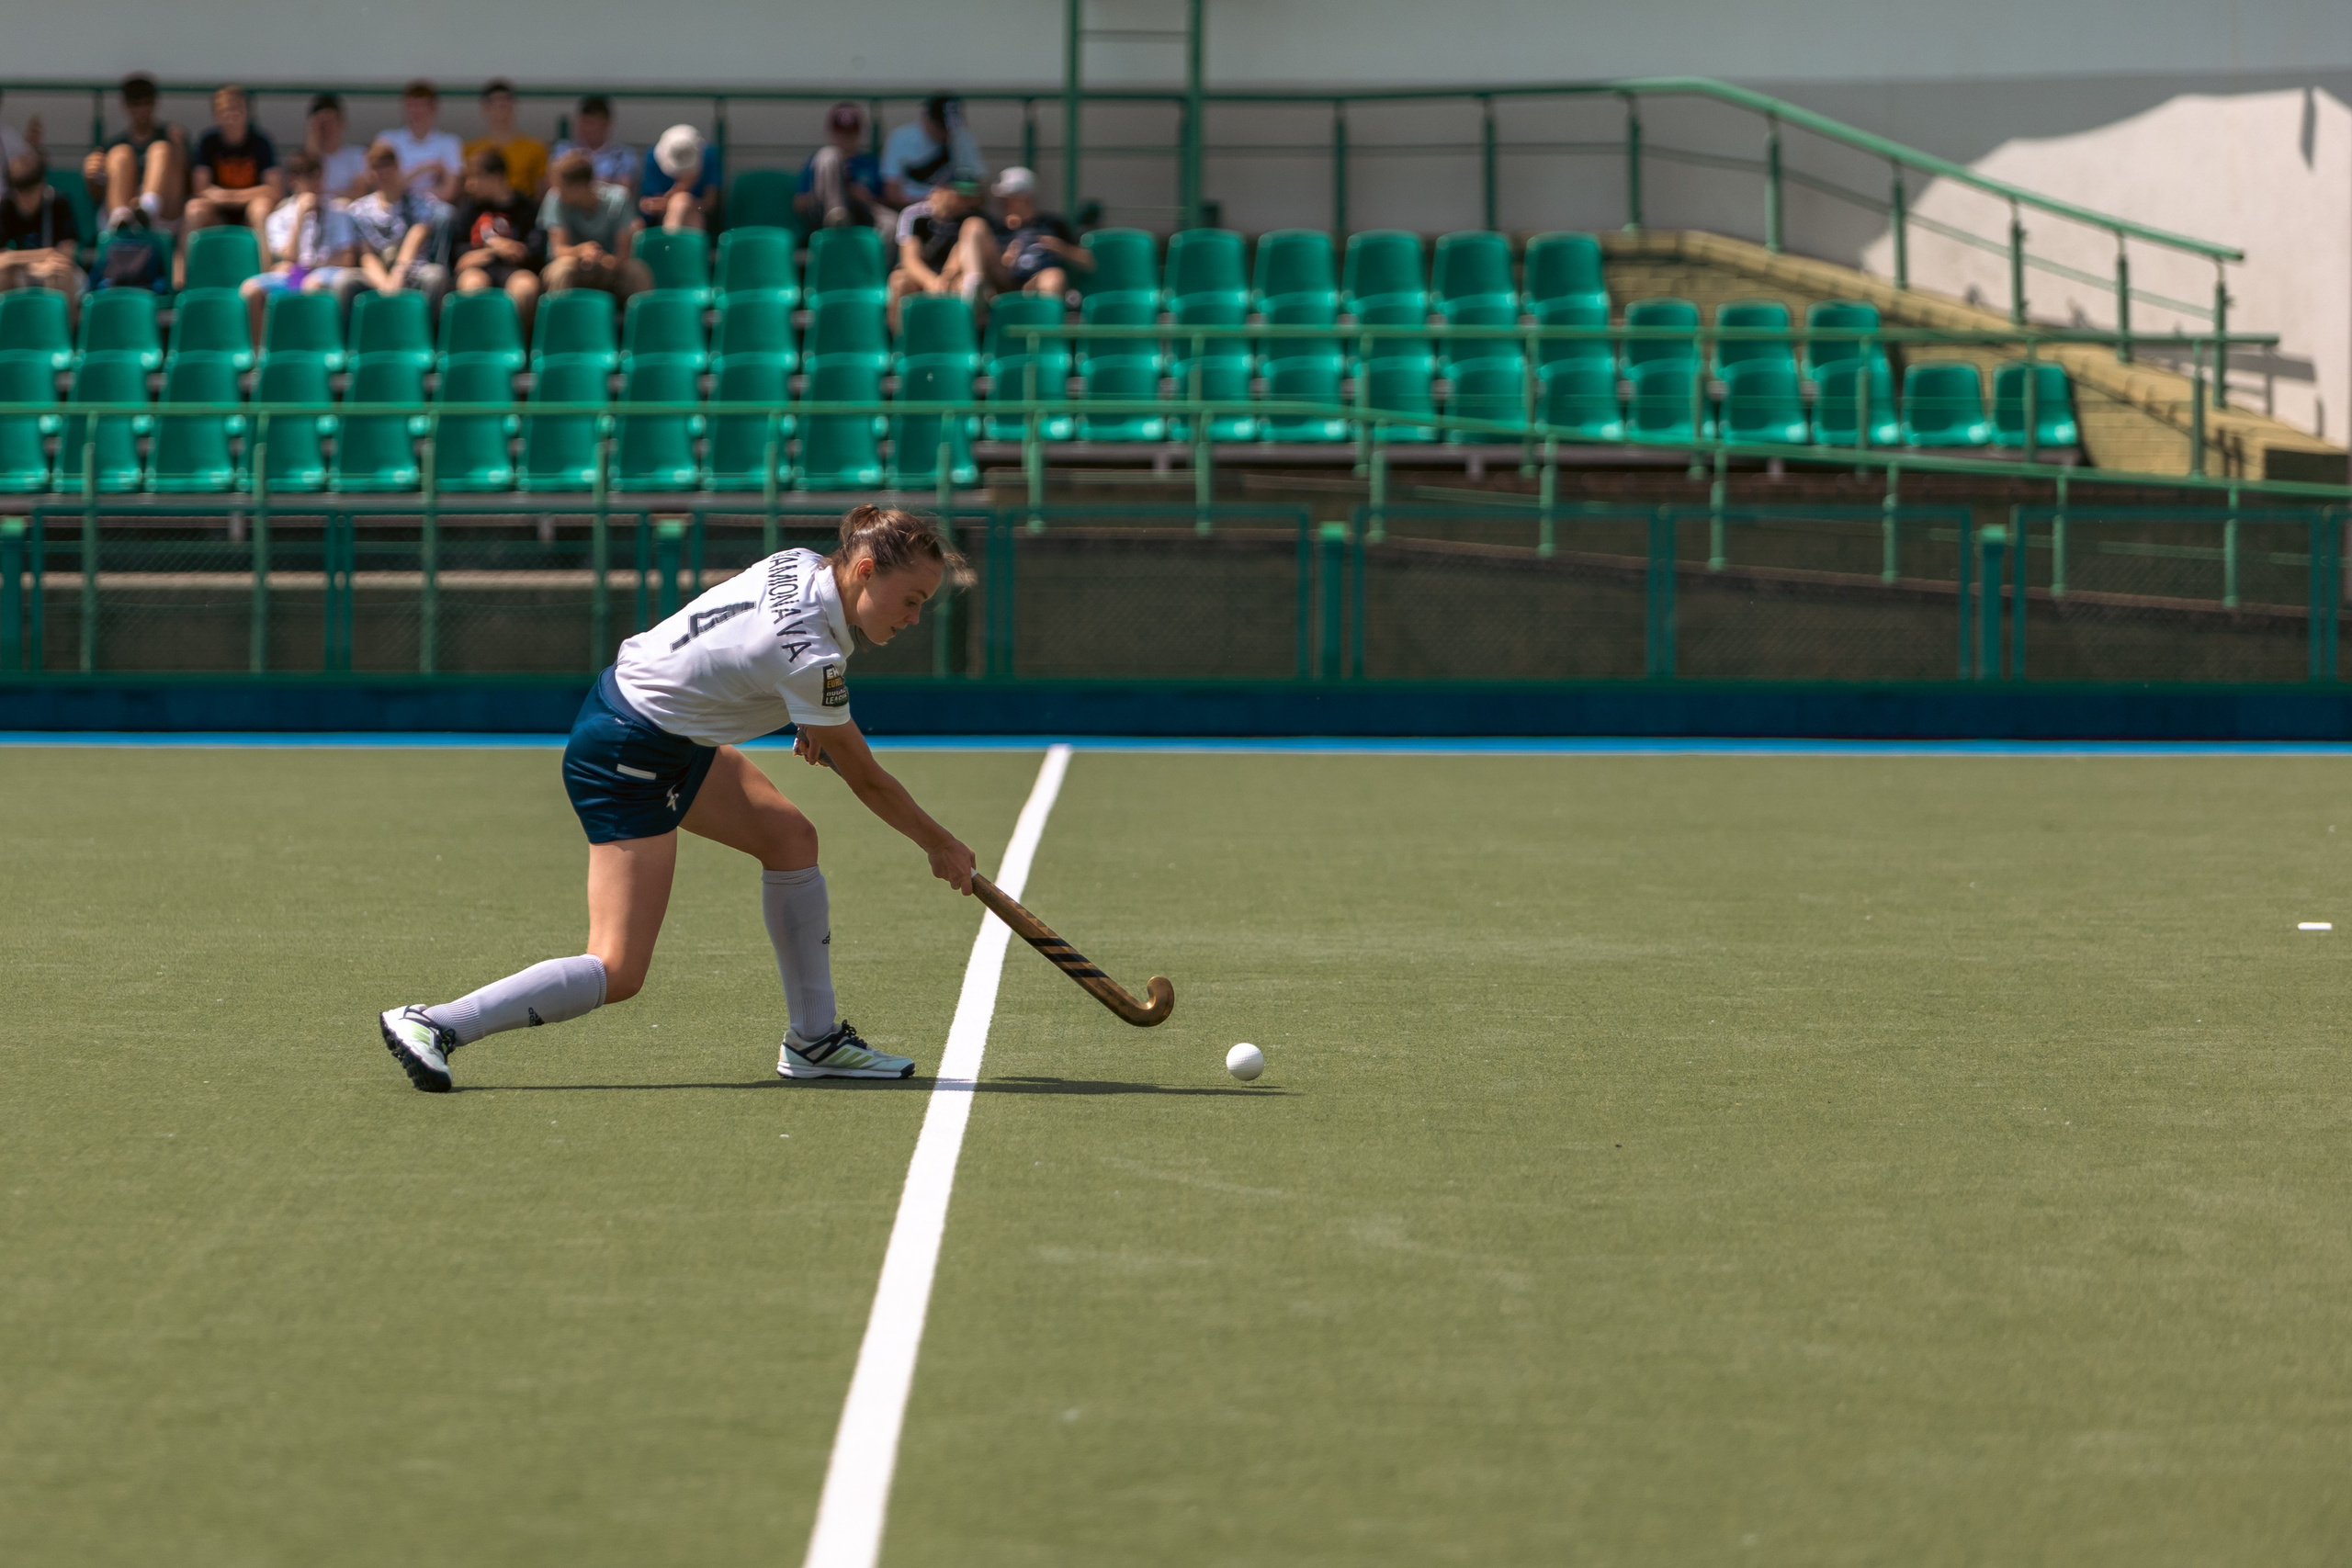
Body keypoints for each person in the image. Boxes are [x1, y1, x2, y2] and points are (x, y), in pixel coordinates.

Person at [378, 507, 980, 1093]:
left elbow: (740, 645)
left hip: (660, 723)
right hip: (628, 752)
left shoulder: (800, 564)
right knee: (618, 968)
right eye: (912, 600)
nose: (914, 618)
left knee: (791, 839)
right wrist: (940, 844)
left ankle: (814, 1041)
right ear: (866, 571)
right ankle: (435, 1022)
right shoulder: (809, 658)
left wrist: (807, 716)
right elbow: (866, 777)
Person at [238, 152, 358, 342]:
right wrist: (301, 214)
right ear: (293, 181)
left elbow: (347, 259)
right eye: (308, 177)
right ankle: (260, 352)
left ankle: (316, 347)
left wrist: (311, 267)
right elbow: (289, 257)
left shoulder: (338, 212)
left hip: (326, 273)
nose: (315, 184)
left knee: (313, 284)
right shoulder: (279, 217)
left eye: (318, 176)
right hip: (292, 276)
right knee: (250, 289)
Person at [345, 141, 450, 315]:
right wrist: (386, 286)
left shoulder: (419, 201)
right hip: (376, 274)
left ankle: (425, 328)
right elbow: (366, 255)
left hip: (411, 271)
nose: (381, 172)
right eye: (375, 167)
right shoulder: (358, 210)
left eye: (385, 165)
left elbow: (417, 234)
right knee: (345, 282)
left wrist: (400, 271)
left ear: (397, 165)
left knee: (435, 276)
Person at [450, 146, 541, 332]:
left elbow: (533, 250)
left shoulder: (525, 208)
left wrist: (486, 253)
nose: (469, 185)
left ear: (496, 177)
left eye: (475, 177)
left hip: (514, 271)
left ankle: (514, 343)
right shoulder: (469, 208)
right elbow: (458, 252)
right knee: (472, 286)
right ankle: (482, 343)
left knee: (526, 288)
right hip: (478, 270)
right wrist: (496, 249)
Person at [887, 177, 998, 329]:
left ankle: (959, 340)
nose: (965, 200)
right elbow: (909, 259)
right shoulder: (915, 215)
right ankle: (901, 339)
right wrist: (931, 281)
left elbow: (960, 251)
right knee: (899, 281)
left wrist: (946, 278)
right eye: (959, 194)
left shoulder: (973, 218)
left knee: (966, 288)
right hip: (921, 277)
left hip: (952, 277)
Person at [81, 73, 187, 230]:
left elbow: (187, 184)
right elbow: (97, 196)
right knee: (120, 154)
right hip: (124, 211)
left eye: (147, 103)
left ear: (155, 103)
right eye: (135, 104)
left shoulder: (171, 136)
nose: (141, 110)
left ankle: (147, 209)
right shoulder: (113, 146)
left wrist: (180, 152)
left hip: (164, 215)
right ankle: (121, 218)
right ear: (126, 105)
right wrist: (90, 176)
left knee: (161, 149)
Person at [539, 151, 650, 300]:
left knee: (638, 271)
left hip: (609, 265)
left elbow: (623, 254)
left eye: (561, 186)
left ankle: (644, 315)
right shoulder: (555, 198)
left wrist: (600, 258)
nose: (556, 190)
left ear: (580, 186)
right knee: (562, 269)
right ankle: (560, 314)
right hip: (573, 263)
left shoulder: (619, 199)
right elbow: (558, 250)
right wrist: (581, 251)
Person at [184, 85, 282, 242]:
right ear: (216, 114)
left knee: (261, 209)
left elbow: (274, 190)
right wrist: (229, 197)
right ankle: (184, 258)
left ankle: (265, 258)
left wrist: (231, 196)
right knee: (194, 209)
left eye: (237, 108)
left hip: (249, 211)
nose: (232, 115)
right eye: (226, 110)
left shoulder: (261, 142)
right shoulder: (208, 142)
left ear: (248, 111)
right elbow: (200, 189)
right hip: (217, 213)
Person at [0, 153, 85, 318]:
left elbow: (65, 255)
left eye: (30, 191)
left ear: (42, 185)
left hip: (51, 273)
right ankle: (8, 331)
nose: (24, 199)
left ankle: (65, 332)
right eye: (19, 192)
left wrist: (13, 258)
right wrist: (39, 262)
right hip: (24, 271)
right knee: (2, 277)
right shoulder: (5, 207)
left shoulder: (59, 203)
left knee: (61, 274)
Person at [987, 166, 1089, 299]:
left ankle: (1044, 312)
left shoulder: (1052, 223)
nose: (1002, 204)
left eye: (1008, 199)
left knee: (1054, 277)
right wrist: (1005, 260)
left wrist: (1061, 248)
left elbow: (1087, 260)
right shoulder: (997, 228)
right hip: (1005, 286)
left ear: (1026, 199)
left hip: (1038, 281)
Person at [880, 95, 984, 209]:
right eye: (941, 127)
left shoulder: (962, 138)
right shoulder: (901, 138)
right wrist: (932, 204)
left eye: (950, 127)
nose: (947, 132)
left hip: (955, 210)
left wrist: (956, 199)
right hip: (912, 208)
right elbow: (892, 193)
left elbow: (978, 187)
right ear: (926, 119)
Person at [797, 102, 888, 232]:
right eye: (840, 132)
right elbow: (799, 204)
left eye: (850, 133)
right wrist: (822, 193)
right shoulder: (817, 162)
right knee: (828, 155)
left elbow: (884, 200)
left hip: (861, 214)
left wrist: (862, 196)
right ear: (830, 132)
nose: (845, 138)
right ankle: (836, 214)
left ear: (860, 133)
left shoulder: (870, 163)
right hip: (823, 216)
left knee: (891, 223)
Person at [379, 81, 464, 204]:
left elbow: (449, 191)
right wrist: (427, 167)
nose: (416, 111)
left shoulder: (450, 142)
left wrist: (406, 189)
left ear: (434, 108)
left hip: (434, 208)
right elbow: (384, 186)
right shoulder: (387, 140)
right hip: (393, 207)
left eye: (422, 106)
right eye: (412, 105)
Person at [466, 79, 548, 198]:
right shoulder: (471, 150)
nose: (501, 109)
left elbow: (541, 192)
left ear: (514, 105)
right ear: (485, 108)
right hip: (482, 207)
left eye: (506, 103)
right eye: (495, 104)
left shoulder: (536, 148)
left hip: (523, 207)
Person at [551, 95, 636, 193]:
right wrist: (604, 182)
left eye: (592, 123)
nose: (587, 129)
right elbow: (553, 183)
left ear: (606, 124)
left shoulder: (623, 155)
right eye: (584, 122)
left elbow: (624, 189)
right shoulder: (564, 150)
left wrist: (580, 184)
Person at [639, 125, 717, 231]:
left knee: (682, 201)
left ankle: (674, 241)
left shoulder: (709, 156)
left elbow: (710, 203)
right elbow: (650, 201)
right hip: (660, 221)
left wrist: (681, 202)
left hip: (698, 217)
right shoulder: (652, 159)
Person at [304, 93, 369, 201]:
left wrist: (326, 197)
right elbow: (304, 192)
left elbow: (360, 192)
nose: (326, 128)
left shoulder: (358, 155)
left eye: (330, 122)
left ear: (342, 124)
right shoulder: (303, 160)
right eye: (321, 124)